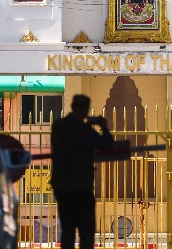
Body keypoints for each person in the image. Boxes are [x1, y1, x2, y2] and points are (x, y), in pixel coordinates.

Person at [50, 94, 113, 249]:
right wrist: (103, 126)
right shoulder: (85, 130)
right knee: (86, 231)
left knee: (68, 230)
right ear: (86, 109)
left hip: (62, 186)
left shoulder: (58, 126)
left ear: (72, 107)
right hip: (81, 187)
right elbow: (107, 145)